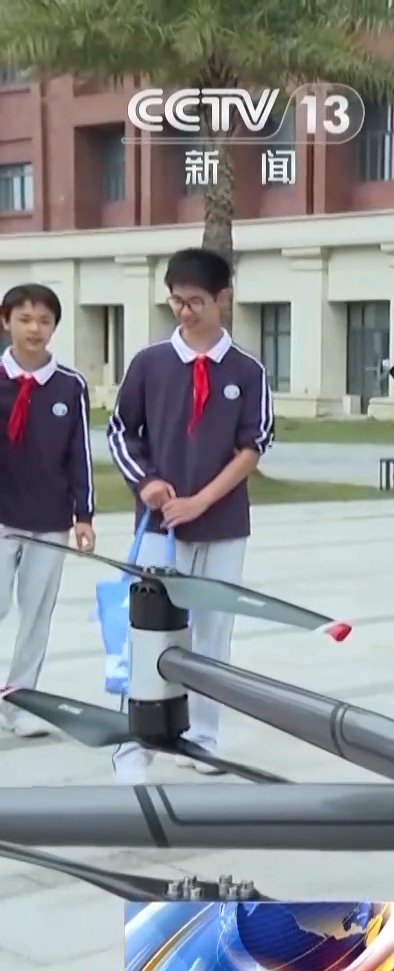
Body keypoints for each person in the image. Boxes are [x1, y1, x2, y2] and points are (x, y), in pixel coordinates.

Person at [105, 248, 275, 780]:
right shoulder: (150, 363)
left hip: (223, 526)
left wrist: (202, 500)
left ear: (222, 297)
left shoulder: (247, 370)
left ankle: (202, 737)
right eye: (176, 301)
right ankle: (137, 740)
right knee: (150, 631)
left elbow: (253, 446)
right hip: (160, 526)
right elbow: (121, 431)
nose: (184, 311)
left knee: (213, 632)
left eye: (196, 301)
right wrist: (148, 482)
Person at [0, 283, 96, 738]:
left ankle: (20, 701)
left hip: (50, 518)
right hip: (2, 515)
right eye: (24, 319)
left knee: (37, 613)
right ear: (6, 323)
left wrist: (84, 514)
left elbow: (80, 452)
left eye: (44, 320)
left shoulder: (70, 385)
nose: (34, 329)